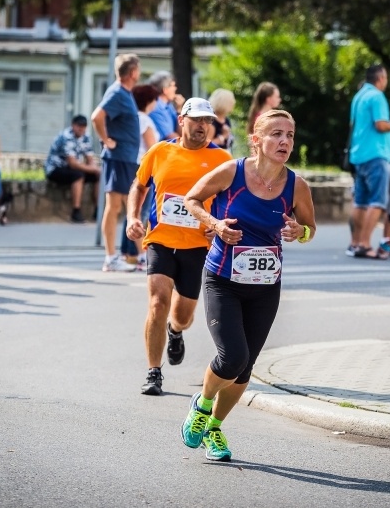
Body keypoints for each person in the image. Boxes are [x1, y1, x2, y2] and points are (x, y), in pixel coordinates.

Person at [180, 109, 316, 462]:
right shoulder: (232, 172)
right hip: (223, 279)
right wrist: (215, 224)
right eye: (275, 134)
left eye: (289, 134)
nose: (284, 141)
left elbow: (310, 229)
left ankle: (213, 429)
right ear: (256, 140)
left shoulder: (296, 185)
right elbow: (191, 200)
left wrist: (298, 231)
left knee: (245, 368)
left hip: (266, 286)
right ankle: (202, 405)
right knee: (232, 356)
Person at [125, 97, 232, 396]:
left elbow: (231, 198)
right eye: (197, 119)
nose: (202, 126)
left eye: (208, 121)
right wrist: (133, 216)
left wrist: (218, 225)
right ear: (181, 120)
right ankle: (153, 372)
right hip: (160, 239)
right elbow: (139, 184)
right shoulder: (160, 151)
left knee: (183, 315)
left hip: (197, 245)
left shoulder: (222, 160)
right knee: (157, 301)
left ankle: (175, 331)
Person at [346, 65, 390, 259]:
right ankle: (365, 244)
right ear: (381, 78)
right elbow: (380, 125)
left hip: (358, 155)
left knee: (360, 202)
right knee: (378, 202)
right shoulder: (377, 96)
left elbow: (358, 124)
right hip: (376, 154)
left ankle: (355, 243)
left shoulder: (359, 96)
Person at [91, 53, 141, 271]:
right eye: (138, 69)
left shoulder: (124, 93)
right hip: (117, 156)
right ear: (132, 73)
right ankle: (111, 258)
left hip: (125, 157)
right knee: (114, 207)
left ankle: (136, 255)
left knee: (124, 206)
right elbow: (96, 117)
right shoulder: (117, 93)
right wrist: (105, 140)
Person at [119, 83, 160, 265]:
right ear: (149, 101)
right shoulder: (144, 119)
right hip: (145, 166)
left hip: (133, 164)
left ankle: (128, 253)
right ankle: (139, 254)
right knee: (141, 211)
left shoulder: (135, 118)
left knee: (132, 210)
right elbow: (152, 147)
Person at [45, 114, 101, 223]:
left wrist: (96, 170)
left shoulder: (86, 137)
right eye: (79, 126)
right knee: (78, 175)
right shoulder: (66, 136)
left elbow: (90, 158)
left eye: (83, 126)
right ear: (73, 126)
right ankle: (76, 211)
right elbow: (73, 164)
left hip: (71, 169)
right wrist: (94, 169)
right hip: (56, 169)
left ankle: (97, 210)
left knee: (98, 176)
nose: (81, 128)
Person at [147, 71, 184, 140]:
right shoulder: (155, 108)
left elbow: (182, 132)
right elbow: (171, 137)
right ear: (165, 90)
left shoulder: (169, 105)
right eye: (173, 85)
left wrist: (179, 110)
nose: (175, 88)